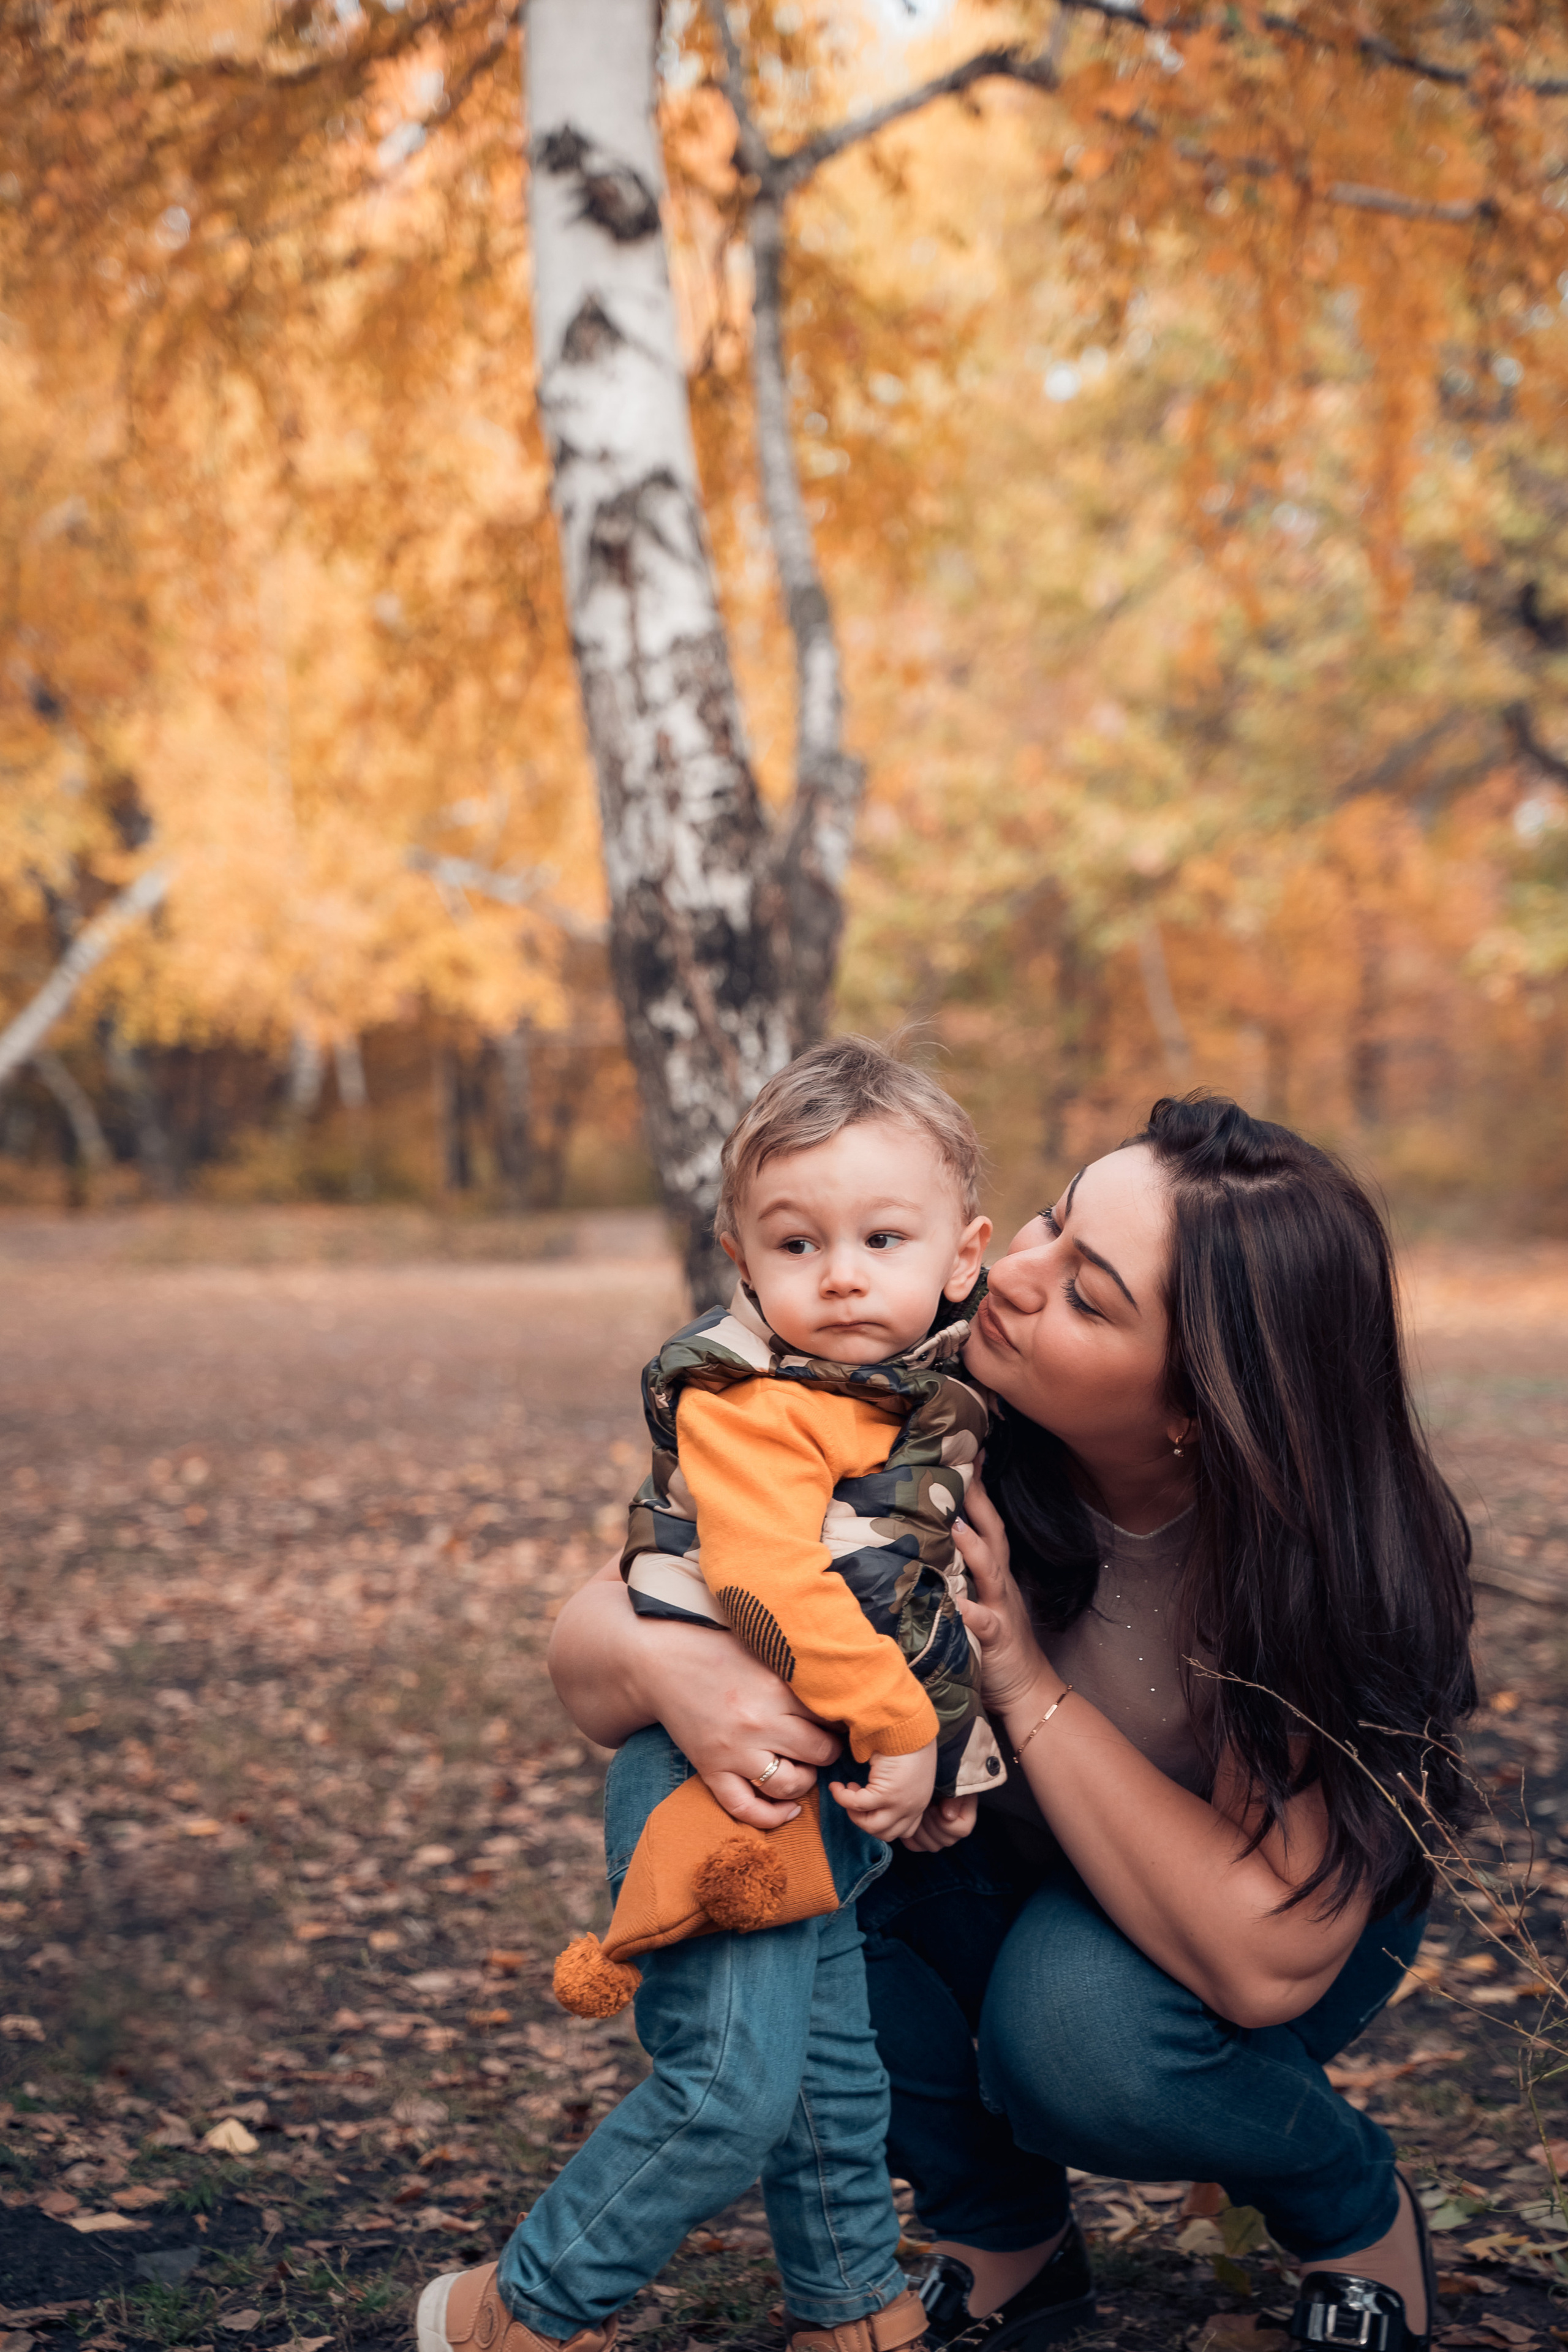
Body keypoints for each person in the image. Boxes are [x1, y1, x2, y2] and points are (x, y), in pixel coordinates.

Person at [545, 1095, 1477, 2352]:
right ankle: (1004, 2231)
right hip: (988, 1864)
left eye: (1088, 1296)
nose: (1014, 1279)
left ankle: (1345, 2207)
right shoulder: (917, 1389)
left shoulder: (1317, 1565)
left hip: (1219, 1940)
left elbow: (1265, 1960)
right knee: (760, 1828)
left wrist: (1025, 1680)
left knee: (1076, 2031)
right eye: (1051, 1218)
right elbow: (597, 1635)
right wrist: (675, 1678)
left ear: (1200, 1404)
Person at [418, 1040, 1001, 2352]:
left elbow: (917, 1602)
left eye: (880, 1237)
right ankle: (516, 2310)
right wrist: (906, 1731)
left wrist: (947, 1766)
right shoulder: (742, 1394)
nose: (840, 1272)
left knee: (832, 2083)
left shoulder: (919, 1399)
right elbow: (768, 1582)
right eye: (796, 1244)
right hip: (710, 1779)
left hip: (825, 1796)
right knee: (726, 2086)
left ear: (960, 1256)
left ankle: (853, 2310)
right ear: (740, 1258)